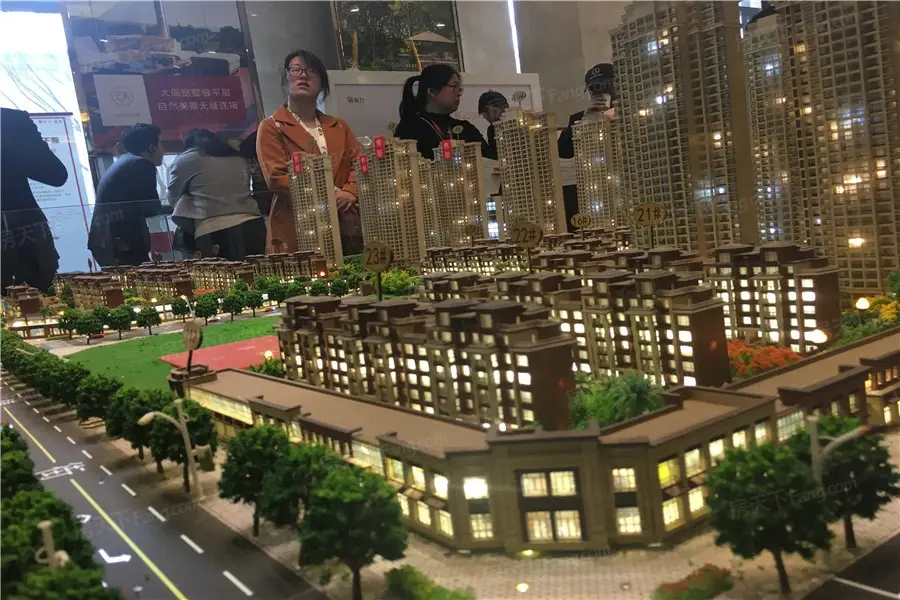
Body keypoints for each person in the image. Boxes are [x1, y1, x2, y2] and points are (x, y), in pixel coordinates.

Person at [256, 49, 363, 255]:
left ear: (322, 84)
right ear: (285, 79)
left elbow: (359, 163)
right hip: (298, 224)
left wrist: (351, 191)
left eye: (312, 71)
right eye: (296, 70)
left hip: (344, 224)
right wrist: (334, 194)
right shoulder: (271, 126)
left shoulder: (338, 125)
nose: (303, 76)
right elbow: (277, 178)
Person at [167, 129, 264, 261]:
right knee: (257, 272)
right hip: (253, 224)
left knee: (220, 274)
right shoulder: (237, 155)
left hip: (212, 229)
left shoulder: (184, 160)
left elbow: (173, 197)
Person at [1, 107, 68, 293]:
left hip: (22, 240)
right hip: (22, 236)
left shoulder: (10, 121)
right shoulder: (11, 120)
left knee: (37, 301)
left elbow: (55, 174)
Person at [88, 123, 169, 266]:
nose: (164, 150)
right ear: (151, 147)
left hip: (109, 240)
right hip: (123, 244)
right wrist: (178, 207)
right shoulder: (141, 164)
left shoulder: (126, 162)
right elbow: (152, 208)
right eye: (161, 144)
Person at [557, 63, 616, 230]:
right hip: (593, 190)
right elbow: (563, 151)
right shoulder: (577, 118)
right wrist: (585, 119)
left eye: (605, 86)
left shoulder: (630, 112)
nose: (599, 92)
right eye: (593, 88)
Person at [394, 65, 496, 161]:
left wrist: (495, 126)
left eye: (459, 88)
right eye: (454, 87)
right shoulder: (409, 129)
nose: (459, 93)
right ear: (432, 91)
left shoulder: (465, 129)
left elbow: (492, 161)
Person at [477, 90, 509, 158]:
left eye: (483, 115)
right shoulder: (492, 129)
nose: (485, 118)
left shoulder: (492, 130)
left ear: (488, 109)